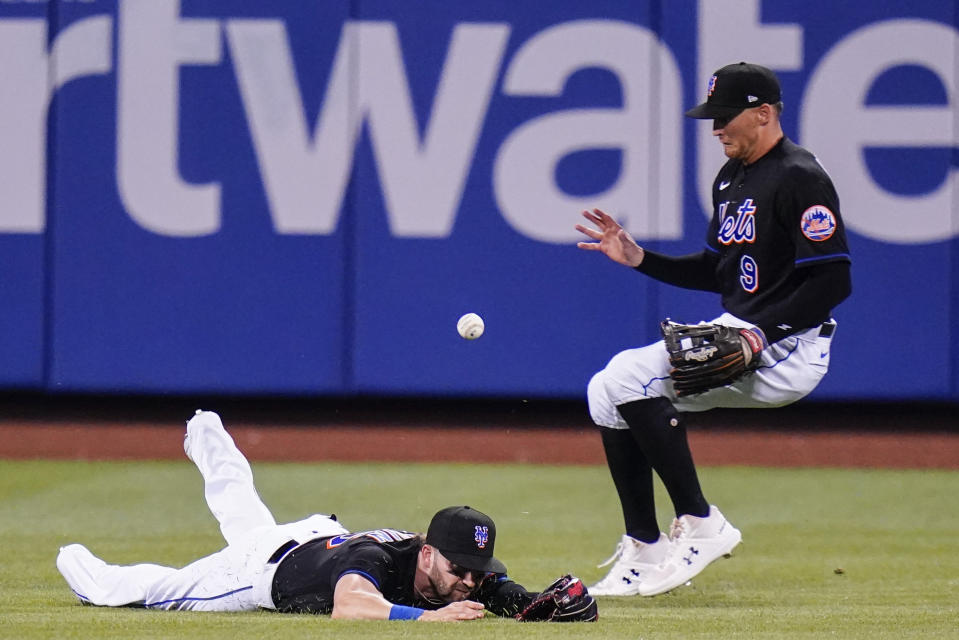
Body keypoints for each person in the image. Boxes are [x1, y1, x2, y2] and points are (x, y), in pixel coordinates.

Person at [575, 61, 851, 597]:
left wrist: (760, 334)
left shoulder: (801, 176)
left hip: (789, 345)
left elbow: (833, 280)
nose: (716, 127)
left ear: (764, 113)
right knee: (605, 392)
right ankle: (646, 547)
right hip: (745, 327)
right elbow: (716, 270)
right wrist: (640, 259)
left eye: (726, 116)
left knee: (630, 377)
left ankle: (701, 523)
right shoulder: (731, 178)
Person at [56, 410, 594, 621]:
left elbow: (499, 591)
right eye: (459, 569)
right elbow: (349, 606)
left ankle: (206, 433)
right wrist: (428, 619)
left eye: (476, 569)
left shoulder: (459, 572)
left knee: (245, 510)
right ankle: (87, 572)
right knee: (163, 593)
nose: (469, 580)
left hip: (316, 537)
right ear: (428, 553)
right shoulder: (378, 559)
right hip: (259, 571)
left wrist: (538, 604)